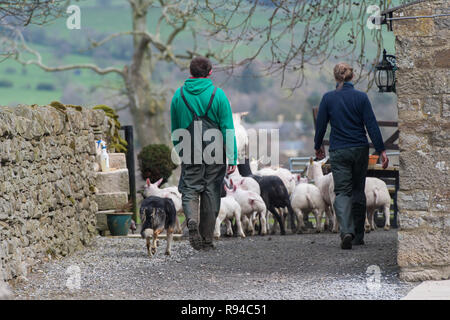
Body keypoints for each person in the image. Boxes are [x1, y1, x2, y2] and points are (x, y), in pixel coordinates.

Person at [314, 62, 389, 250]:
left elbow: (321, 125)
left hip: (339, 150)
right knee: (358, 190)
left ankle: (346, 231)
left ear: (336, 77)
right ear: (352, 77)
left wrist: (317, 146)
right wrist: (381, 150)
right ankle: (358, 236)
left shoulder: (328, 99)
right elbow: (371, 125)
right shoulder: (361, 98)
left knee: (342, 192)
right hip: (360, 149)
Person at [170, 56, 237, 251]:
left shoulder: (178, 95)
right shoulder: (218, 95)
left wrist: (180, 149)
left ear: (190, 72)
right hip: (214, 149)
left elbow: (175, 129)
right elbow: (227, 128)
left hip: (189, 147)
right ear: (210, 72)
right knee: (211, 192)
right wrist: (232, 156)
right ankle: (207, 239)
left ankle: (191, 219)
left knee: (190, 188)